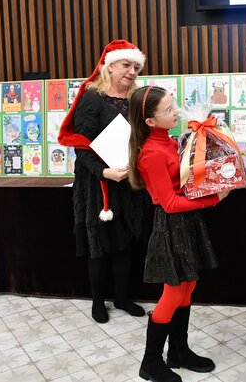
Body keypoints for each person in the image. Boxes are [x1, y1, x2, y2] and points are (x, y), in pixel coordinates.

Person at [128, 85, 231, 382]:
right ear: (150, 121)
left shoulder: (171, 141)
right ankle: (150, 362)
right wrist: (213, 199)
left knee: (188, 285)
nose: (177, 112)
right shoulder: (150, 153)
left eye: (174, 105)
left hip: (188, 222)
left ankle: (179, 351)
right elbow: (170, 203)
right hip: (171, 225)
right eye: (169, 110)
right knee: (173, 291)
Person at [58, 39, 151, 323]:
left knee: (125, 242)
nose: (132, 72)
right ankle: (98, 302)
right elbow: (80, 145)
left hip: (128, 182)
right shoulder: (92, 98)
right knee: (98, 245)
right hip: (98, 185)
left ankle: (121, 298)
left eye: (136, 67)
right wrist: (103, 172)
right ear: (110, 67)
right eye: (126, 65)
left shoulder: (137, 99)